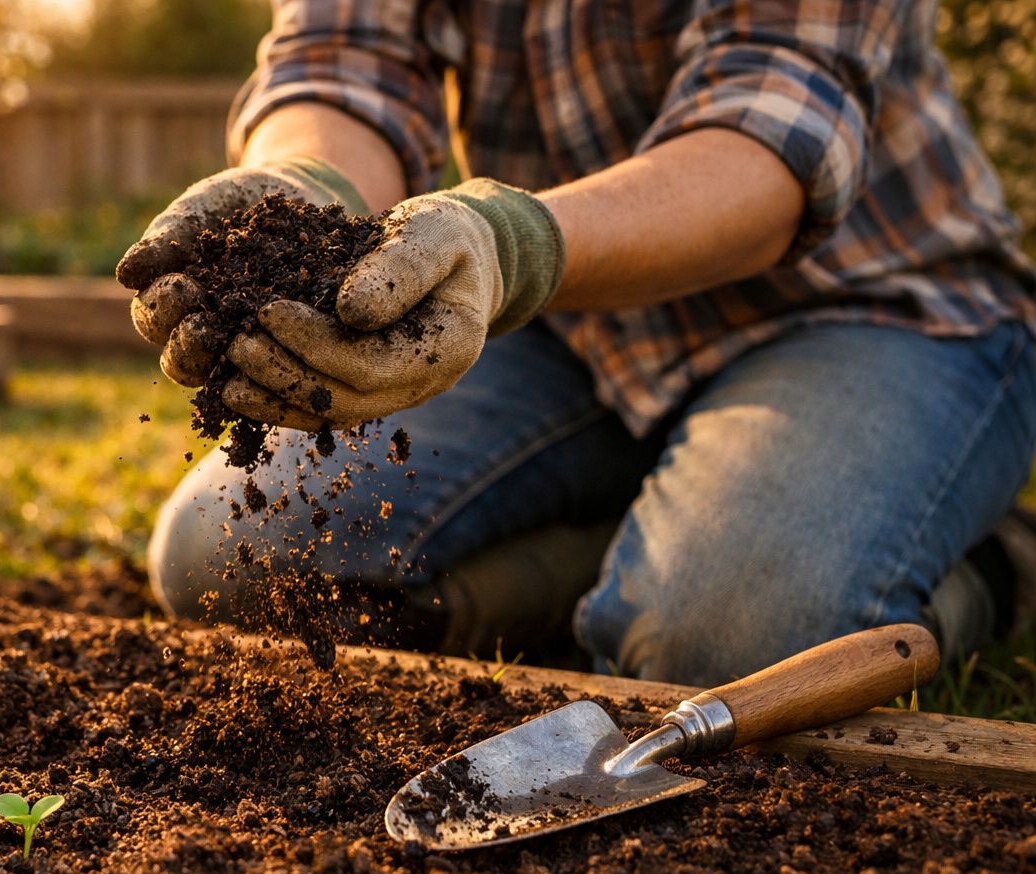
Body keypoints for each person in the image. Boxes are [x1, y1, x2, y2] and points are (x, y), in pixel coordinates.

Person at [118, 0, 1036, 685]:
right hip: (576, 325)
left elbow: (769, 131)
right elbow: (343, 61)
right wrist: (309, 188)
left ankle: (999, 569)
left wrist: (512, 245)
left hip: (868, 308)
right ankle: (656, 533)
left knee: (727, 646)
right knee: (224, 553)